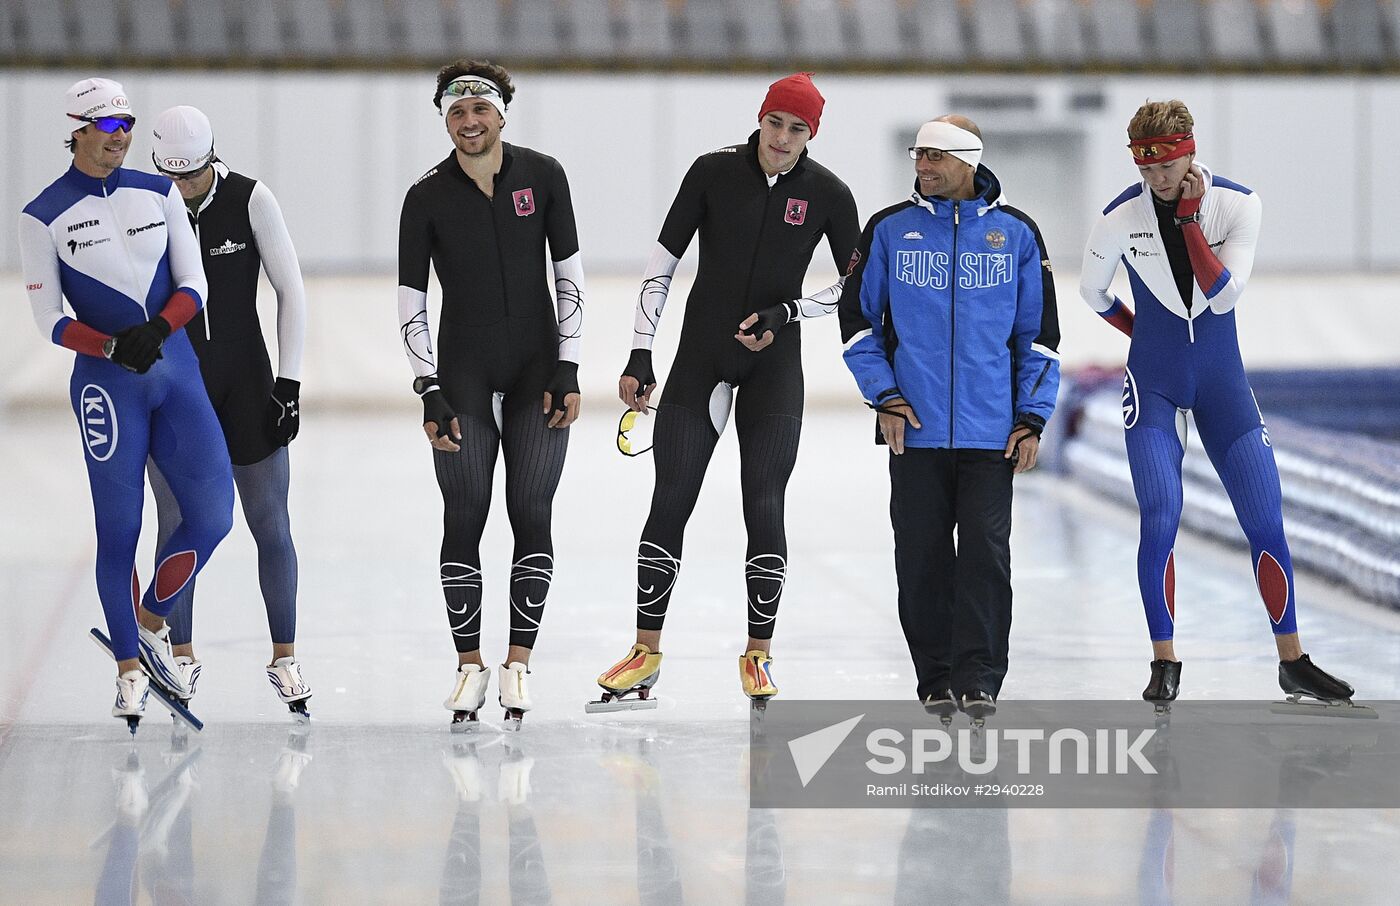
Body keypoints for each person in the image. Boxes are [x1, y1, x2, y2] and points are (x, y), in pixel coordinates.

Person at [1079, 99, 1363, 712]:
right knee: (1161, 515)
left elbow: (1224, 293)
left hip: (1222, 382)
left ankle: (1293, 662)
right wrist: (1145, 341)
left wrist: (1186, 223)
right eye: (1144, 167)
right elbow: (1090, 292)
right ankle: (1165, 660)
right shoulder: (1118, 217)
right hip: (1152, 384)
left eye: (1166, 165)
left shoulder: (1237, 204)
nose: (1155, 178)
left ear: (1189, 151)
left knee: (1265, 520)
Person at [591, 73, 859, 711]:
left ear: (811, 135)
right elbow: (663, 265)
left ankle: (758, 653)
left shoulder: (829, 194)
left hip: (774, 366)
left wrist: (787, 313)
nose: (783, 139)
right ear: (760, 119)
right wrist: (638, 351)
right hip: (700, 359)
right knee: (671, 498)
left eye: (798, 129)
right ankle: (645, 651)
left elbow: (855, 286)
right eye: (776, 123)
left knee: (764, 502)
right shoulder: (711, 172)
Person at [18, 78, 233, 726]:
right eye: (109, 129)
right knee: (120, 533)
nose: (121, 139)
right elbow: (46, 318)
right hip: (106, 386)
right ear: (79, 130)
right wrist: (111, 348)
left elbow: (194, 281)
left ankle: (147, 624)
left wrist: (159, 330)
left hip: (175, 369)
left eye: (127, 127)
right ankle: (128, 671)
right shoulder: (44, 213)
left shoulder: (159, 190)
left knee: (214, 517)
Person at [839, 116, 1060, 726]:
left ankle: (981, 676)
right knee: (921, 555)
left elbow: (1038, 336)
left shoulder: (1017, 234)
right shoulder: (889, 230)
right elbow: (858, 321)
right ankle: (934, 676)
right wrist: (884, 396)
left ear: (968, 161)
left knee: (987, 555)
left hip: (993, 432)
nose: (922, 167)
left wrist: (1032, 415)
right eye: (918, 156)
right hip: (914, 429)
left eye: (934, 157)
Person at [397, 60, 586, 729]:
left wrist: (569, 365)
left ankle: (518, 664)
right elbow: (411, 301)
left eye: (480, 110)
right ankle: (470, 666)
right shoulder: (426, 196)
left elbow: (568, 276)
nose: (470, 123)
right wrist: (429, 386)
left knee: (532, 509)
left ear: (503, 112)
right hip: (463, 373)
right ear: (443, 118)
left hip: (539, 368)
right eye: (456, 113)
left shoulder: (544, 175)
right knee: (465, 514)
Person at [147, 105, 312, 718]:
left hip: (248, 385)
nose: (185, 188)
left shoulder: (250, 197)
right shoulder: (143, 207)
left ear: (214, 156)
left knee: (271, 522)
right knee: (176, 525)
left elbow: (290, 287)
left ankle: (286, 657)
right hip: (178, 391)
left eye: (195, 175)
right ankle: (181, 656)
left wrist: (289, 382)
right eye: (174, 177)